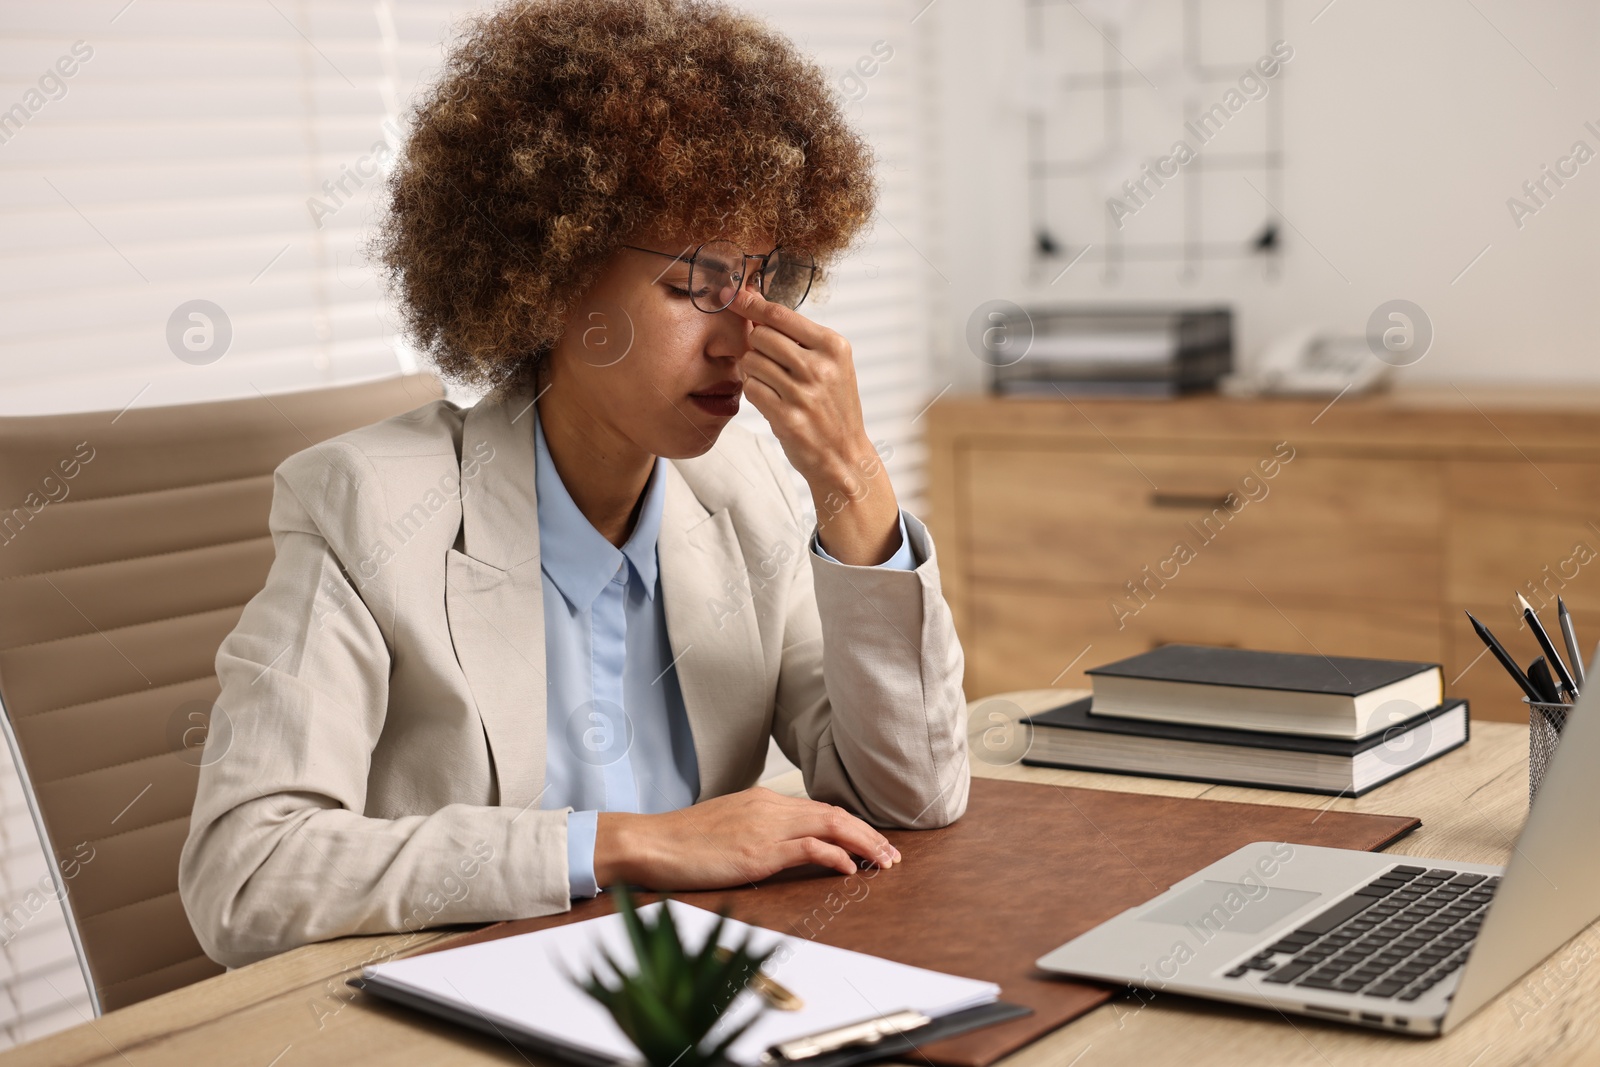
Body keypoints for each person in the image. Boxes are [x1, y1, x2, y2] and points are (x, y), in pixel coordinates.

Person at [178, 0, 969, 970]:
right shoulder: (365, 508)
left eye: (767, 280)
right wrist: (622, 839)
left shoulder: (748, 487)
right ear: (549, 274)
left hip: (690, 993)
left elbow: (912, 793)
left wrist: (852, 483)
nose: (741, 336)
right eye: (694, 283)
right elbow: (245, 873)